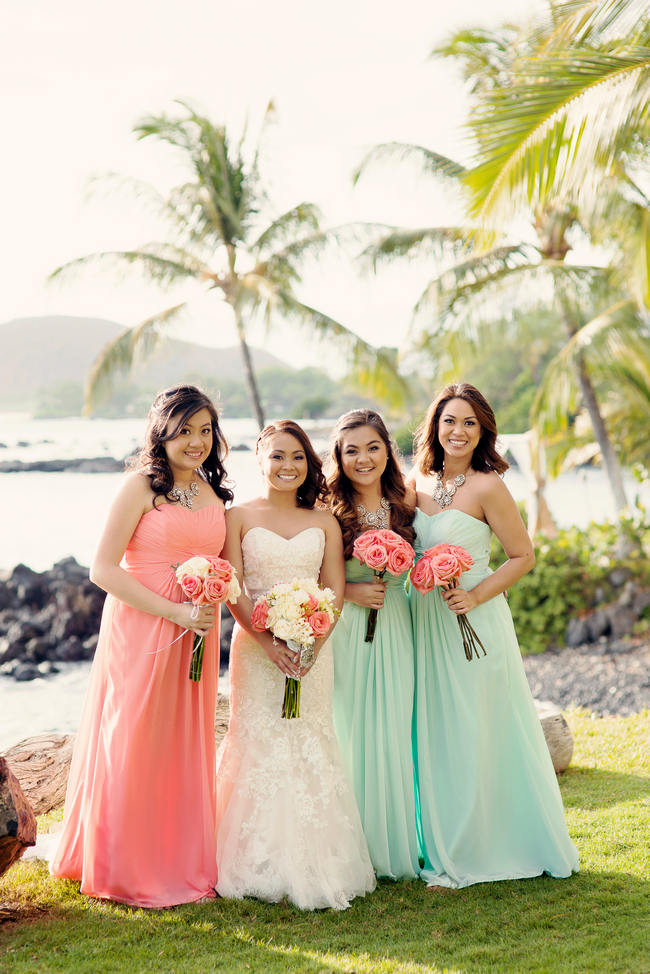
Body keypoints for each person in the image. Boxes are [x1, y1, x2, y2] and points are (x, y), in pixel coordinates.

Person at [51, 385, 232, 907]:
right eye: (185, 430)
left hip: (197, 629)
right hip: (144, 628)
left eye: (205, 431)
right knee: (132, 736)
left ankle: (176, 857)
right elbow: (102, 569)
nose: (196, 442)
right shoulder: (139, 487)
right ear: (162, 430)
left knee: (181, 741)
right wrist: (174, 610)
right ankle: (123, 865)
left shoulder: (210, 490)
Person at [408, 383, 579, 888]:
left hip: (474, 623)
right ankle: (438, 838)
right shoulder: (416, 480)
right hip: (427, 622)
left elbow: (523, 555)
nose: (457, 432)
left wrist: (477, 596)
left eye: (469, 424)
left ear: (482, 432)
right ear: (434, 426)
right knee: (436, 728)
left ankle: (484, 845)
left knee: (478, 726)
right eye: (449, 421)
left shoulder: (488, 485)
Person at [215, 420, 376, 910]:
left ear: (309, 464)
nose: (288, 466)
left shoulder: (323, 520)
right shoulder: (236, 516)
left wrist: (312, 644)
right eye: (278, 456)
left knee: (311, 741)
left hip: (313, 654)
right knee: (256, 741)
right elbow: (233, 589)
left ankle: (315, 860)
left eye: (298, 457)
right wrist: (268, 643)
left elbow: (334, 591)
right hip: (255, 650)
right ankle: (248, 861)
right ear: (260, 459)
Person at [325, 409, 419, 880]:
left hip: (396, 624)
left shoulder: (406, 497)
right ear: (339, 458)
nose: (363, 459)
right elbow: (313, 573)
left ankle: (392, 844)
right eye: (352, 451)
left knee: (393, 726)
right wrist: (353, 592)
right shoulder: (328, 506)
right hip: (350, 629)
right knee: (352, 728)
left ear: (387, 449)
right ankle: (352, 846)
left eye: (372, 448)